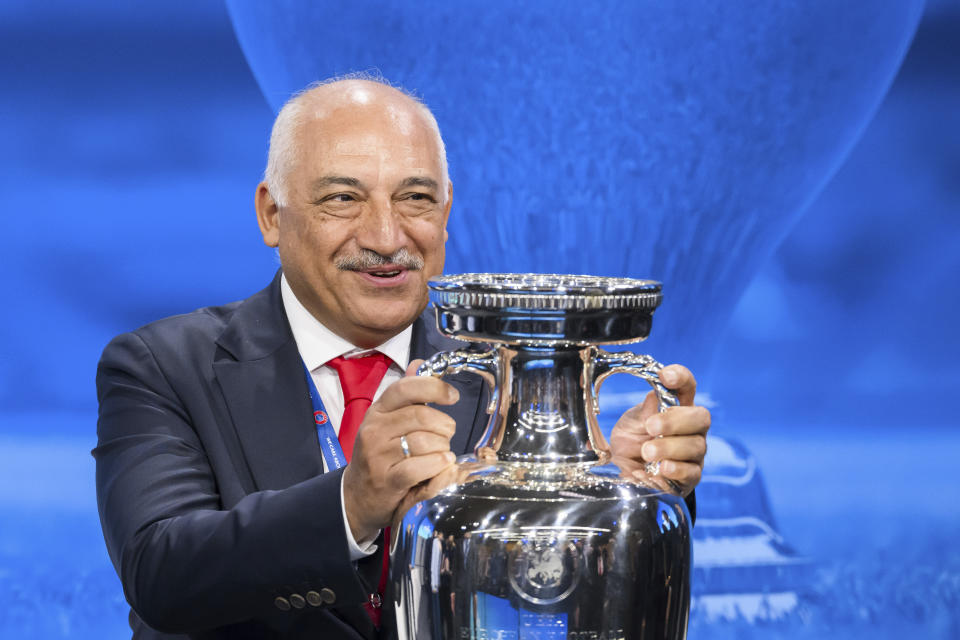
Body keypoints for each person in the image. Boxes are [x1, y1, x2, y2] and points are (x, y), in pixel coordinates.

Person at [94, 76, 711, 639]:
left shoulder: (509, 376)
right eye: (343, 199)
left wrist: (611, 496)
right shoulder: (161, 366)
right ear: (271, 215)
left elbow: (550, 602)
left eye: (415, 198)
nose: (386, 237)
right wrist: (351, 505)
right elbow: (161, 573)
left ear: (445, 217)